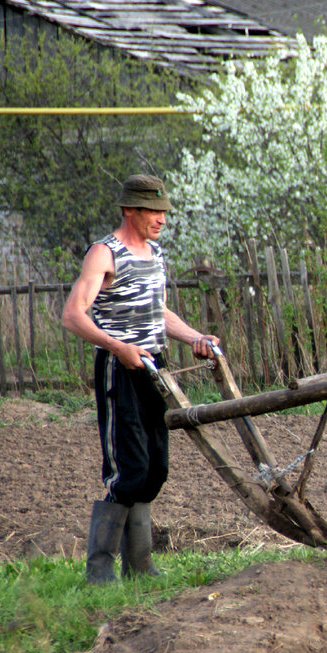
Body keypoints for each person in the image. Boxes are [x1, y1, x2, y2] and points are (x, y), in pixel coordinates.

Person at [62, 174, 219, 584]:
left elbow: (158, 313)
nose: (161, 219)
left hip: (156, 369)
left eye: (164, 212)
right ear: (129, 210)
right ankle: (99, 569)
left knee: (156, 469)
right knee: (128, 468)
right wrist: (119, 348)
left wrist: (196, 337)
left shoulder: (155, 254)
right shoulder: (104, 254)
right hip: (121, 369)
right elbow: (73, 315)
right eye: (153, 211)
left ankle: (140, 565)